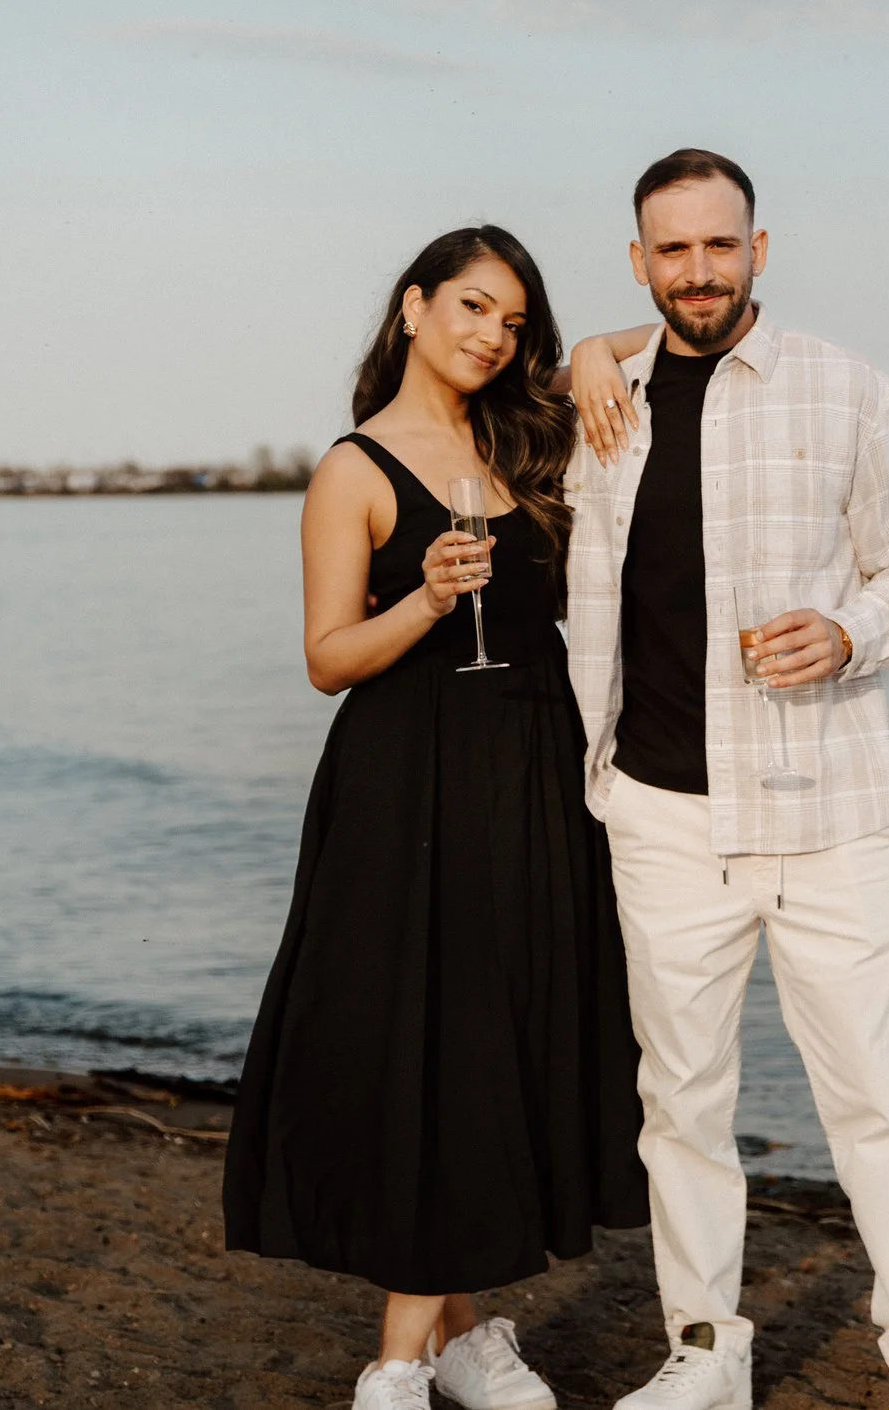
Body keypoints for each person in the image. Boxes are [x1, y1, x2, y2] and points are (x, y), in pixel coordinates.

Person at [563, 150, 889, 1410]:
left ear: (758, 248)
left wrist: (851, 631)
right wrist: (588, 349)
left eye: (718, 244)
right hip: (657, 813)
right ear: (638, 261)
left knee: (877, 1097)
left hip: (824, 808)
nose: (698, 270)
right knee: (680, 1102)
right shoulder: (598, 403)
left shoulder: (851, 390)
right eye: (671, 248)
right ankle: (706, 1351)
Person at [225, 226, 652, 1410]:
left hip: (534, 769)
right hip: (406, 781)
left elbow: (669, 335)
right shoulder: (353, 469)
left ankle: (460, 1338)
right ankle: (399, 1363)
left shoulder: (528, 429)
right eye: (471, 306)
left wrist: (596, 354)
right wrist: (422, 597)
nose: (492, 335)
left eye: (513, 320)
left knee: (496, 1036)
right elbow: (326, 658)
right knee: (439, 1040)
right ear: (412, 306)